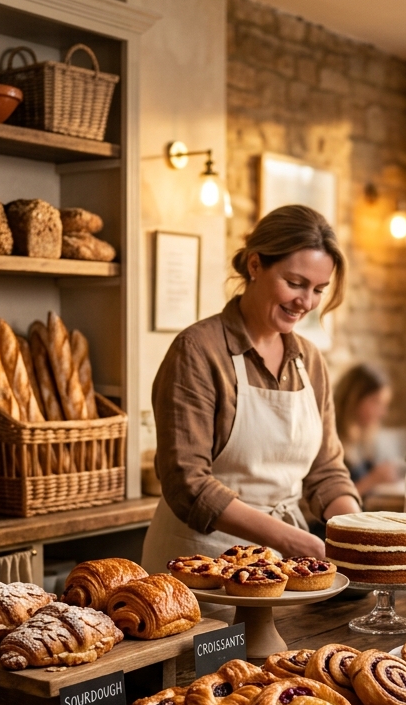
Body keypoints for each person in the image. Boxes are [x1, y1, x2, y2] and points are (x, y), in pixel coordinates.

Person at [141, 205, 361, 573]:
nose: (305, 302)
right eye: (294, 283)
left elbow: (326, 471)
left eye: (318, 290)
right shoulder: (198, 351)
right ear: (255, 266)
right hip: (200, 566)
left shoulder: (308, 359)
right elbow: (186, 483)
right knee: (224, 636)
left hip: (283, 569)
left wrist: (357, 534)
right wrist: (291, 539)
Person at [333, 364, 397, 496]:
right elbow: (330, 501)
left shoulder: (361, 440)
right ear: (353, 398)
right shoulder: (331, 440)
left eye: (384, 404)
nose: (382, 413)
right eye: (376, 402)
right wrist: (372, 480)